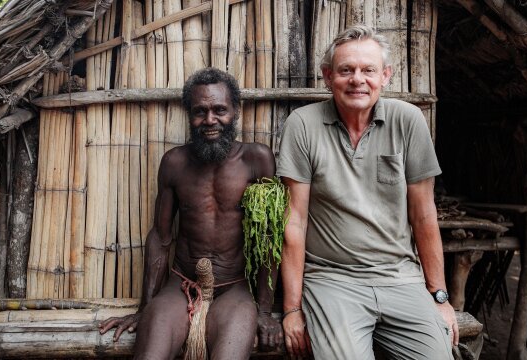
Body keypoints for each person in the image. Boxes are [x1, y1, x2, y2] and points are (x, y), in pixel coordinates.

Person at [276, 24, 458, 359]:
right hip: (332, 280)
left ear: (385, 76)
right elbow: (295, 221)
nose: (358, 79)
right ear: (328, 76)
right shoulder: (303, 125)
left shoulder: (409, 121)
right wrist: (291, 310)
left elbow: (423, 214)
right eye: (346, 70)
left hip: (400, 276)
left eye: (368, 70)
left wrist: (439, 296)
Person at [99, 67, 282, 359]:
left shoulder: (256, 159)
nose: (210, 120)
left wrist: (264, 310)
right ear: (189, 114)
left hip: (233, 288)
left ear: (235, 111)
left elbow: (269, 241)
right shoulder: (174, 162)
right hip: (180, 284)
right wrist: (144, 309)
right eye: (200, 111)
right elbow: (161, 238)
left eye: (219, 110)